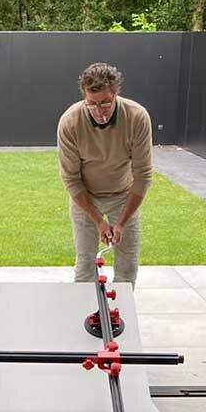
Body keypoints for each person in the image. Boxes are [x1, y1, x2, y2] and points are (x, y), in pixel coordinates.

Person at [56, 62, 153, 287]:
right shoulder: (70, 122)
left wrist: (120, 222)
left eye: (106, 103)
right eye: (92, 104)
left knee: (128, 264)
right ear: (84, 97)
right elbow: (71, 179)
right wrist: (99, 221)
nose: (99, 111)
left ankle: (121, 315)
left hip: (123, 195)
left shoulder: (137, 117)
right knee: (85, 263)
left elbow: (143, 176)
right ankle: (85, 316)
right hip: (85, 197)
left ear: (116, 94)